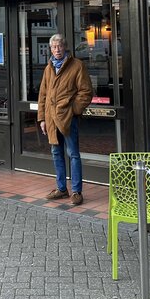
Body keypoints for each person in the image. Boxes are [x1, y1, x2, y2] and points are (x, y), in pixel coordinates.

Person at [37, 33, 93, 206]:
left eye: (59, 46)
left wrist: (72, 110)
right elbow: (43, 95)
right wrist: (42, 119)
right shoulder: (48, 68)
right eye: (54, 47)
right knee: (56, 153)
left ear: (65, 47)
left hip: (68, 119)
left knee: (73, 154)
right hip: (51, 119)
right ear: (51, 49)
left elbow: (86, 92)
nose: (57, 50)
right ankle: (61, 189)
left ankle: (76, 191)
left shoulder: (77, 66)